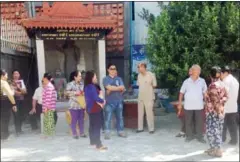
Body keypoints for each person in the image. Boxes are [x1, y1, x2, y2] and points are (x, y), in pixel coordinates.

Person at [178, 64, 207, 143]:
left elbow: (205, 93)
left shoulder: (202, 81)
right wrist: (180, 103)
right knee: (188, 122)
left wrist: (207, 103)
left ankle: (200, 137)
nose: (199, 72)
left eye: (199, 70)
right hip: (188, 106)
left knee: (199, 122)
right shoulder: (186, 81)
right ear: (193, 71)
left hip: (199, 106)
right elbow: (181, 93)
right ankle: (189, 136)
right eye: (197, 70)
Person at [205, 66, 228, 157]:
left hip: (213, 112)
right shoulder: (222, 84)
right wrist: (221, 107)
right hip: (221, 111)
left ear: (211, 75)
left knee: (211, 131)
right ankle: (216, 148)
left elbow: (214, 100)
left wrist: (216, 111)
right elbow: (226, 97)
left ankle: (216, 150)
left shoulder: (213, 85)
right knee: (218, 130)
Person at [84, 71, 107, 150]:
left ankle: (93, 141)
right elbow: (95, 98)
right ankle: (98, 144)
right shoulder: (91, 87)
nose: (96, 78)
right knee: (97, 126)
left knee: (93, 126)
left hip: (91, 109)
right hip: (95, 108)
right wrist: (102, 101)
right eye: (95, 76)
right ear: (91, 78)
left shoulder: (87, 86)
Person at [103, 64, 126, 139]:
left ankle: (120, 131)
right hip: (109, 102)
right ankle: (107, 132)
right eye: (111, 68)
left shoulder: (119, 79)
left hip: (119, 101)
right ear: (108, 70)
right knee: (108, 118)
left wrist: (112, 88)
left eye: (114, 68)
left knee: (120, 117)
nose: (113, 70)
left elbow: (123, 88)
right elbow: (108, 88)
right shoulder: (105, 79)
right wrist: (118, 88)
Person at [221, 66, 239, 145]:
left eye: (221, 73)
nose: (220, 75)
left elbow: (225, 93)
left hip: (226, 106)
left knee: (223, 124)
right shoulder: (235, 80)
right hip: (233, 106)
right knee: (232, 125)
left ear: (225, 73)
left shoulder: (226, 81)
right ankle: (234, 140)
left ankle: (222, 139)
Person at [136, 63, 157, 134]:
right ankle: (140, 128)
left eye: (140, 67)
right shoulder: (139, 75)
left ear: (144, 67)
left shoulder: (151, 75)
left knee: (149, 113)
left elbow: (154, 85)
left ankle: (151, 129)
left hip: (149, 96)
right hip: (141, 97)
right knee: (140, 113)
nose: (139, 69)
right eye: (138, 67)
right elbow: (138, 85)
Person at [66, 70, 87, 139]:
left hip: (81, 105)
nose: (81, 77)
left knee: (81, 120)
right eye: (79, 76)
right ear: (75, 77)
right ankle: (74, 134)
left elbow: (84, 93)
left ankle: (82, 133)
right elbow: (67, 93)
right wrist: (76, 93)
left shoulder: (82, 84)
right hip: (73, 105)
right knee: (74, 120)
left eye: (81, 76)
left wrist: (82, 94)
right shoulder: (70, 84)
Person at [1, 69, 17, 140]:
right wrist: (14, 104)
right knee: (5, 119)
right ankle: (5, 136)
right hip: (4, 103)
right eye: (6, 75)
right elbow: (10, 94)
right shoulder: (4, 83)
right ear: (2, 75)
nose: (7, 76)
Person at [11, 70, 27, 135]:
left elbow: (25, 92)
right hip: (14, 101)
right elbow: (13, 92)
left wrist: (18, 88)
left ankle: (19, 129)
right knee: (16, 115)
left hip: (21, 101)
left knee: (21, 115)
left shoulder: (21, 81)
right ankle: (17, 131)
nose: (16, 75)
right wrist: (21, 92)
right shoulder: (11, 82)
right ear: (13, 75)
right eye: (14, 74)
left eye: (17, 73)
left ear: (19, 75)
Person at [42, 73, 57, 138]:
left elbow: (48, 98)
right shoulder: (48, 86)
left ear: (45, 78)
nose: (42, 79)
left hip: (49, 108)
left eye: (43, 77)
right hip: (48, 107)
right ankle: (47, 135)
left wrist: (46, 108)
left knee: (49, 122)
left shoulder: (49, 86)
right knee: (47, 121)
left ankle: (48, 135)